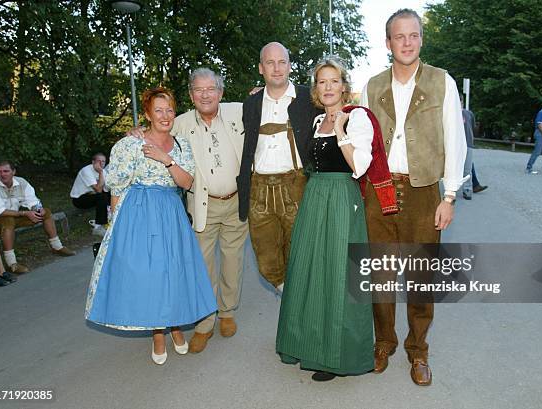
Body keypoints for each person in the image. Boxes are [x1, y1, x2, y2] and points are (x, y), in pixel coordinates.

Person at [361, 9, 467, 386]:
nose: (406, 42)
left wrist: (449, 195)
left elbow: (455, 138)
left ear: (421, 39)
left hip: (424, 192)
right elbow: (361, 142)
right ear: (387, 43)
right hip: (380, 190)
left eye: (413, 35)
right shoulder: (372, 86)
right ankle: (383, 342)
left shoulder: (442, 82)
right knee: (381, 276)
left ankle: (418, 350)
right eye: (399, 36)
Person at [276, 58, 396, 382]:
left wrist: (341, 131)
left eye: (333, 81)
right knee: (311, 271)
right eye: (321, 82)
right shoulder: (317, 121)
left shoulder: (358, 118)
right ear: (316, 88)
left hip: (342, 200)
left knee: (339, 276)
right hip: (315, 198)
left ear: (344, 86)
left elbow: (358, 166)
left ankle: (338, 354)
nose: (327, 87)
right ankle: (311, 345)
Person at [85, 87, 217, 365]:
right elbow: (117, 185)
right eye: (158, 110)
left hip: (171, 212)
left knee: (175, 271)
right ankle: (158, 332)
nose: (165, 115)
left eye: (169, 109)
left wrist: (165, 159)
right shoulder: (129, 144)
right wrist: (115, 224)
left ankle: (176, 325)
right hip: (138, 214)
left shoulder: (181, 145)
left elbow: (187, 182)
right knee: (151, 274)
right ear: (147, 113)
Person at [168, 68, 247, 353]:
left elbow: (272, 106)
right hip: (202, 204)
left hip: (237, 201)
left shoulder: (239, 111)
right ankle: (205, 323)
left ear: (220, 92)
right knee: (202, 265)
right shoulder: (180, 124)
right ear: (191, 95)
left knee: (232, 260)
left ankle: (227, 312)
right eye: (198, 90)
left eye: (210, 89)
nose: (205, 95)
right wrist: (137, 132)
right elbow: (156, 134)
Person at [238, 42, 321, 292]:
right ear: (261, 68)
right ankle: (285, 290)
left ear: (289, 66)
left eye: (282, 62)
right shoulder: (250, 103)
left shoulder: (309, 98)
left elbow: (337, 106)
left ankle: (299, 308)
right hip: (259, 190)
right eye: (270, 63)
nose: (277, 68)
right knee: (267, 260)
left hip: (296, 186)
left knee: (301, 253)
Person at [0, 160, 75, 274]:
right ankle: (11, 263)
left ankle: (56, 246)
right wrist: (24, 214)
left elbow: (32, 200)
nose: (2, 174)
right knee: (8, 221)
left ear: (13, 172)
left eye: (6, 171)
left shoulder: (21, 183)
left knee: (46, 212)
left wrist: (37, 210)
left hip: (14, 217)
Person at [70, 153, 111, 236]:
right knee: (101, 197)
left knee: (109, 195)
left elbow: (107, 189)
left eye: (103, 161)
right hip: (79, 199)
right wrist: (100, 173)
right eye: (98, 161)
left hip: (92, 196)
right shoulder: (86, 170)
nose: (101, 163)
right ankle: (98, 227)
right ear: (93, 162)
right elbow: (98, 189)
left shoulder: (104, 172)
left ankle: (110, 220)